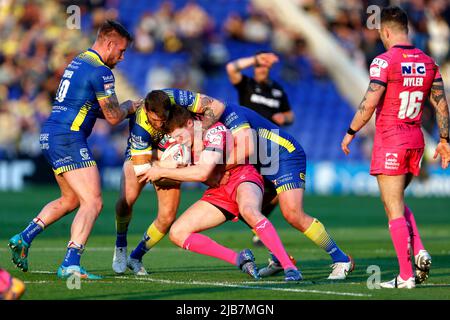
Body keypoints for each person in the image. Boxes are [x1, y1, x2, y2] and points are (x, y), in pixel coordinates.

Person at [145, 88, 354, 280]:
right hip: (259, 164)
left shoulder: (231, 115)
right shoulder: (202, 126)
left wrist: (217, 170)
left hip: (282, 155)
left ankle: (340, 259)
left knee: (292, 214)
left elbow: (247, 149)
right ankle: (280, 259)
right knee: (249, 212)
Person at [8, 20, 139, 279]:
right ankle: (70, 262)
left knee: (70, 200)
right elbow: (113, 116)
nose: (122, 57)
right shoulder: (101, 71)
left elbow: (87, 106)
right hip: (68, 137)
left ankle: (23, 238)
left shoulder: (78, 61)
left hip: (51, 133)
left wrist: (116, 109)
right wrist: (131, 106)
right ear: (109, 44)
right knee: (93, 201)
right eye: (121, 51)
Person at [341, 6, 450, 289]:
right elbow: (440, 103)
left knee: (393, 208)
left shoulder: (383, 61)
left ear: (386, 31)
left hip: (391, 140)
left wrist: (351, 132)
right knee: (396, 202)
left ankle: (405, 276)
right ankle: (420, 250)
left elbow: (370, 101)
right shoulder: (427, 61)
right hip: (416, 141)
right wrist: (444, 139)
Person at [138, 105, 302, 281]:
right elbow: (182, 169)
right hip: (218, 191)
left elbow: (202, 173)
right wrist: (156, 167)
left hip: (242, 177)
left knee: (249, 211)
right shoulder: (183, 142)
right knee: (177, 233)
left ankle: (290, 268)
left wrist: (162, 171)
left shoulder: (214, 131)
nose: (178, 141)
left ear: (190, 124)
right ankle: (239, 259)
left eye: (179, 136)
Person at [226, 51, 294, 246]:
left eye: (264, 66)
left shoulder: (277, 90)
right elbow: (231, 68)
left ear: (269, 69)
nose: (261, 69)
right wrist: (255, 58)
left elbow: (291, 115)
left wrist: (285, 118)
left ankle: (258, 222)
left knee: (278, 190)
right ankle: (255, 221)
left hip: (270, 144)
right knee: (251, 185)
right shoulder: (246, 84)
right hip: (249, 142)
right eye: (258, 66)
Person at [112, 91, 181, 275]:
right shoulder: (140, 125)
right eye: (156, 120)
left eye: (163, 119)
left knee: (167, 217)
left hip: (167, 158)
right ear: (147, 111)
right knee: (126, 200)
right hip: (140, 157)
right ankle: (120, 245)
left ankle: (135, 257)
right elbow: (143, 168)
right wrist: (172, 163)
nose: (160, 124)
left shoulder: (177, 104)